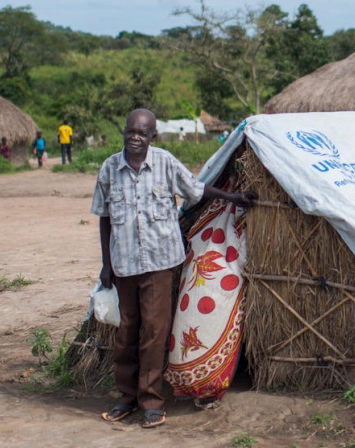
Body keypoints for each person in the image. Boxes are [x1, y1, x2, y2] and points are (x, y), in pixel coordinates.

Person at [91, 108, 255, 429]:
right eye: (131, 132)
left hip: (159, 265)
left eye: (142, 133)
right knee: (126, 332)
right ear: (124, 132)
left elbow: (196, 189)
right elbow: (105, 219)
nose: (135, 138)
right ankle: (125, 396)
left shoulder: (165, 162)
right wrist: (106, 265)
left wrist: (232, 197)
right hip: (124, 266)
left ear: (153, 136)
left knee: (154, 332)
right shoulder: (109, 169)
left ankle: (151, 401)